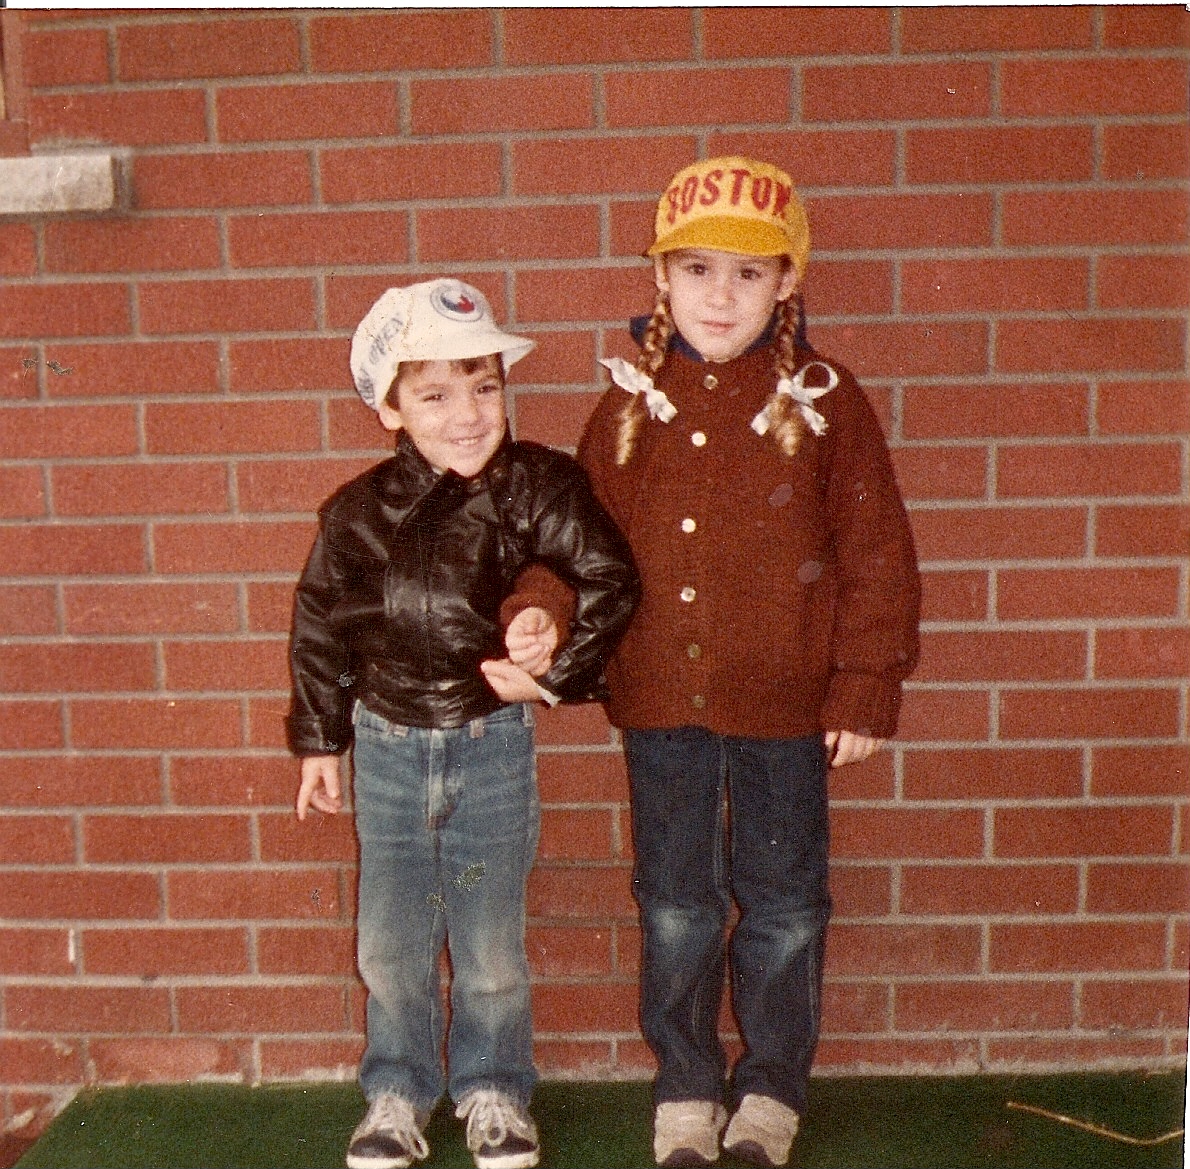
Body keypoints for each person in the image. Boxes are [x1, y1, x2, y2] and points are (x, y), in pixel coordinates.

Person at [506, 156, 921, 1168]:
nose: (720, 296)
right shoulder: (627, 405)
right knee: (676, 905)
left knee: (783, 904)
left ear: (787, 281)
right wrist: (538, 613)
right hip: (660, 706)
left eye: (747, 273)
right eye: (696, 270)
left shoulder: (824, 400)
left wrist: (865, 683)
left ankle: (771, 1089)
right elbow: (575, 542)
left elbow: (877, 552)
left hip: (787, 710)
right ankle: (686, 1085)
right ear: (661, 279)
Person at [286, 278, 640, 1169]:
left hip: (491, 748)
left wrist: (553, 674)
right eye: (435, 394)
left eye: (485, 386)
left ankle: (493, 1088)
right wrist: (321, 740)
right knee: (390, 942)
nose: (468, 414)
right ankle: (397, 1091)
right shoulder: (356, 513)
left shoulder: (538, 485)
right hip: (387, 751)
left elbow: (610, 576)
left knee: (489, 942)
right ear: (390, 409)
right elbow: (323, 626)